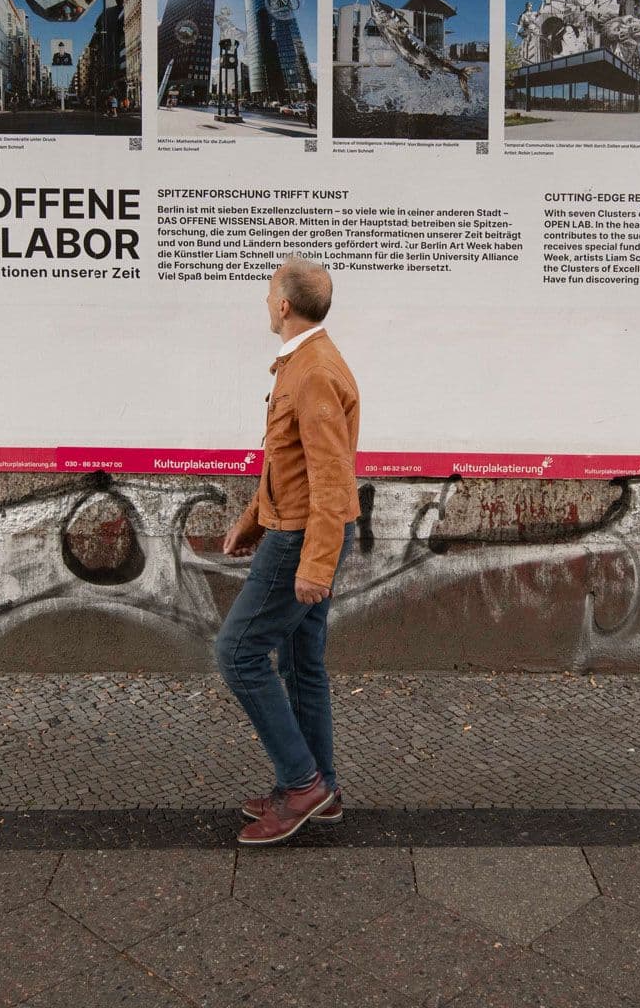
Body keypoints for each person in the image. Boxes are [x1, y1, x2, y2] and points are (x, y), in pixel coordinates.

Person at [217, 256, 361, 845]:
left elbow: (332, 478)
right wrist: (252, 521)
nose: (265, 302)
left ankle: (301, 782)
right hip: (292, 528)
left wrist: (316, 563)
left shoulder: (314, 373)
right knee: (301, 660)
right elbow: (289, 463)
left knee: (239, 653)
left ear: (282, 305)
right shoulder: (301, 364)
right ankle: (320, 788)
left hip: (303, 537)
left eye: (267, 292)